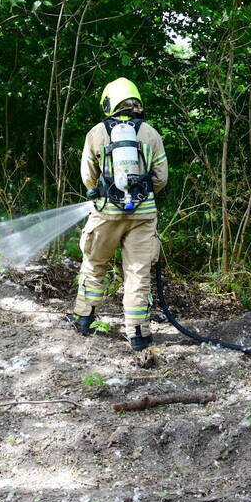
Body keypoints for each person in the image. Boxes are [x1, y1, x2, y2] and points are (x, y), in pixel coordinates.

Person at [66, 78, 168, 351]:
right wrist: (140, 195)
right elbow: (161, 179)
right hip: (143, 214)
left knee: (94, 264)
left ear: (109, 102)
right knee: (137, 273)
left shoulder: (96, 133)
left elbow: (89, 179)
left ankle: (84, 319)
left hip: (106, 213)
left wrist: (104, 193)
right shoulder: (150, 134)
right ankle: (138, 335)